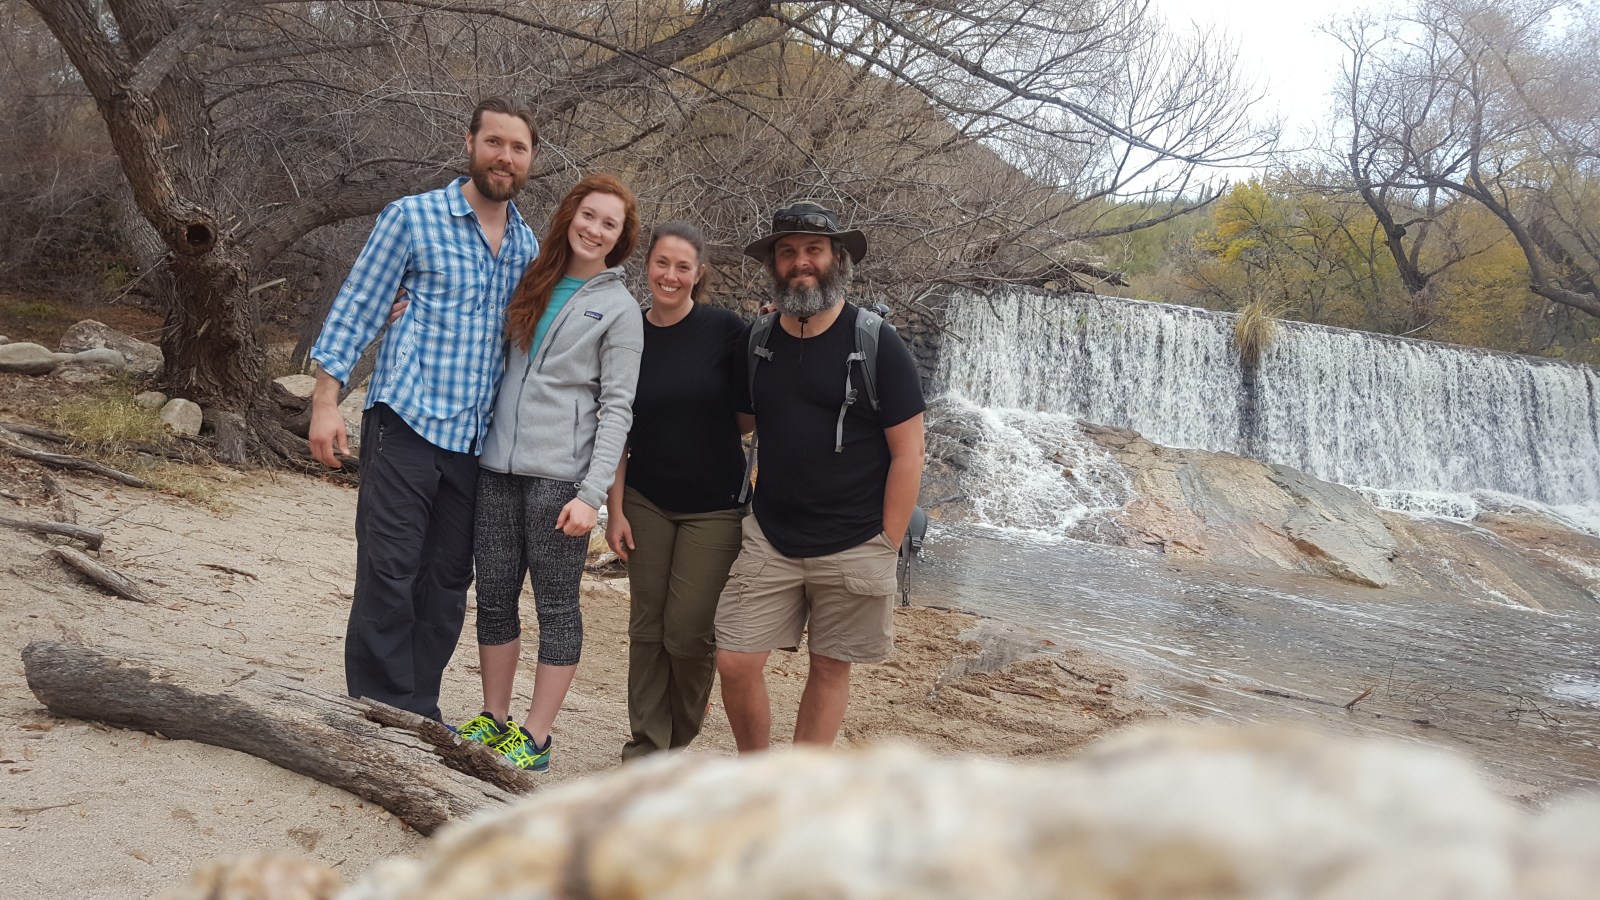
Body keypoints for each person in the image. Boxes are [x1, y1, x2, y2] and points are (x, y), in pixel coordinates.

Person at [308, 97, 539, 722]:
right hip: (404, 422)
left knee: (444, 584)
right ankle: (378, 707)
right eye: (495, 142)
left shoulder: (527, 246)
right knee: (389, 569)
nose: (504, 157)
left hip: (472, 442)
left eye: (517, 148)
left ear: (530, 160)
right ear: (470, 143)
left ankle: (418, 706)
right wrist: (327, 402)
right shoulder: (412, 218)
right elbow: (358, 306)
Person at [715, 201, 926, 752]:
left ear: (837, 260)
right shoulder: (758, 342)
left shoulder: (877, 344)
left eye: (813, 250)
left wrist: (888, 541)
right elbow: (734, 422)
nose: (800, 262)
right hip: (772, 535)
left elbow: (909, 452)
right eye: (788, 252)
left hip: (857, 539)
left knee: (830, 669)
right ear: (774, 266)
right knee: (735, 660)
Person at [455, 174, 645, 771]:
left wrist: (593, 496)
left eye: (608, 224)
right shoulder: (532, 279)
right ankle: (494, 716)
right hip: (497, 466)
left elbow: (618, 408)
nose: (594, 229)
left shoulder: (618, 310)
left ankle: (534, 735)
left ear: (620, 239)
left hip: (561, 481)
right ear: (570, 216)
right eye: (588, 216)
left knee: (557, 605)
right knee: (494, 595)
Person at [605, 221, 749, 760]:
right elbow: (615, 426)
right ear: (647, 265)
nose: (670, 275)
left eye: (682, 267)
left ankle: (679, 733)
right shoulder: (626, 332)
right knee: (647, 625)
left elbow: (749, 416)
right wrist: (614, 510)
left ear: (698, 274)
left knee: (688, 632)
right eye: (662, 263)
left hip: (714, 507)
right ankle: (647, 745)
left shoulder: (725, 331)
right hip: (644, 499)